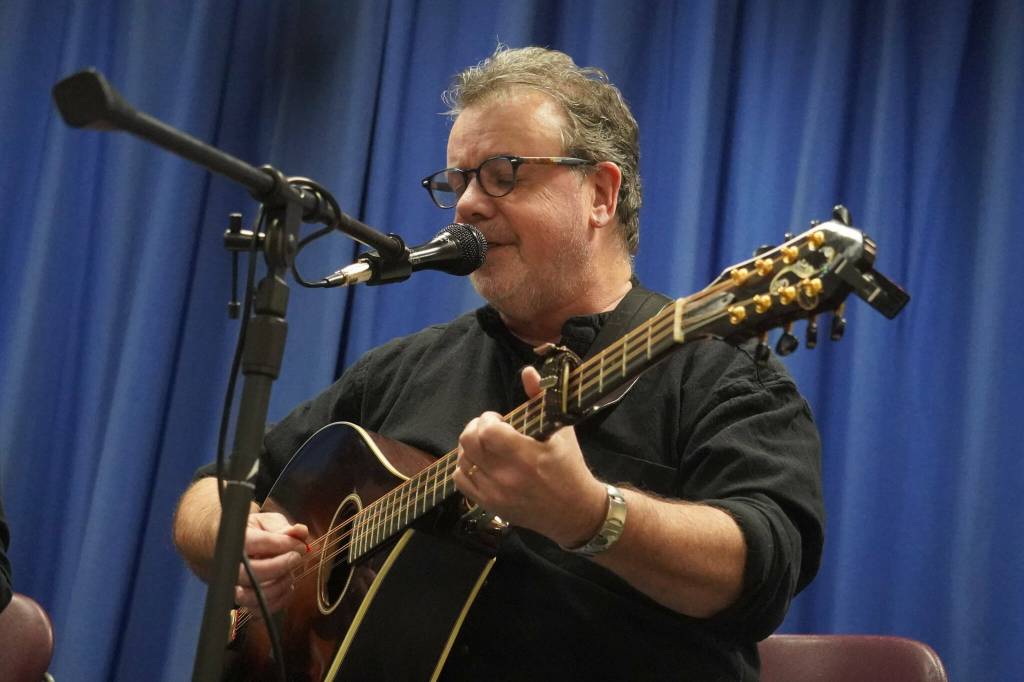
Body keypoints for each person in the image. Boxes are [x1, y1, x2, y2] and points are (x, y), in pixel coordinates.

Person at [174, 46, 824, 679]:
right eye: (457, 182)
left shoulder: (720, 372)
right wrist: (236, 540)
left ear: (600, 193)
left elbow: (764, 570)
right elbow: (215, 488)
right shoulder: (402, 369)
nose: (467, 206)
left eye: (504, 173)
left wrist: (593, 516)